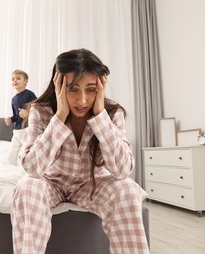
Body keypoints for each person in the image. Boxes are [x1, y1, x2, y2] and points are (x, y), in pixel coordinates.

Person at [11, 49, 149, 253]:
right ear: (58, 85)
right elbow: (32, 167)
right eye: (73, 89)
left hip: (92, 184)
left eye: (91, 89)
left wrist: (100, 116)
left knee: (127, 189)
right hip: (52, 183)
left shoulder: (112, 113)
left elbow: (122, 170)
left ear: (100, 88)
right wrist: (59, 117)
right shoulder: (41, 110)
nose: (82, 100)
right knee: (27, 187)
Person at [5, 69, 37, 165]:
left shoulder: (29, 94)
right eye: (13, 79)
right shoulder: (13, 99)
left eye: (18, 78)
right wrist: (11, 119)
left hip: (27, 129)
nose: (14, 80)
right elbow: (16, 115)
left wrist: (28, 112)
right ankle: (10, 166)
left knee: (25, 150)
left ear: (25, 82)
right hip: (17, 130)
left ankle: (24, 167)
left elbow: (38, 108)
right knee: (13, 151)